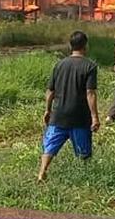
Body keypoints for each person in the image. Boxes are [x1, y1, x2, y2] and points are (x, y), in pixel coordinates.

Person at [38, 31, 100, 181]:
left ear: (70, 46)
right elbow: (90, 93)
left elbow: (50, 91)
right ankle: (84, 179)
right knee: (83, 152)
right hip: (79, 116)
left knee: (50, 146)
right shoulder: (90, 66)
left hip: (58, 114)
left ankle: (42, 171)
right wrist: (94, 117)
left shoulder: (59, 64)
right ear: (86, 45)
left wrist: (47, 110)